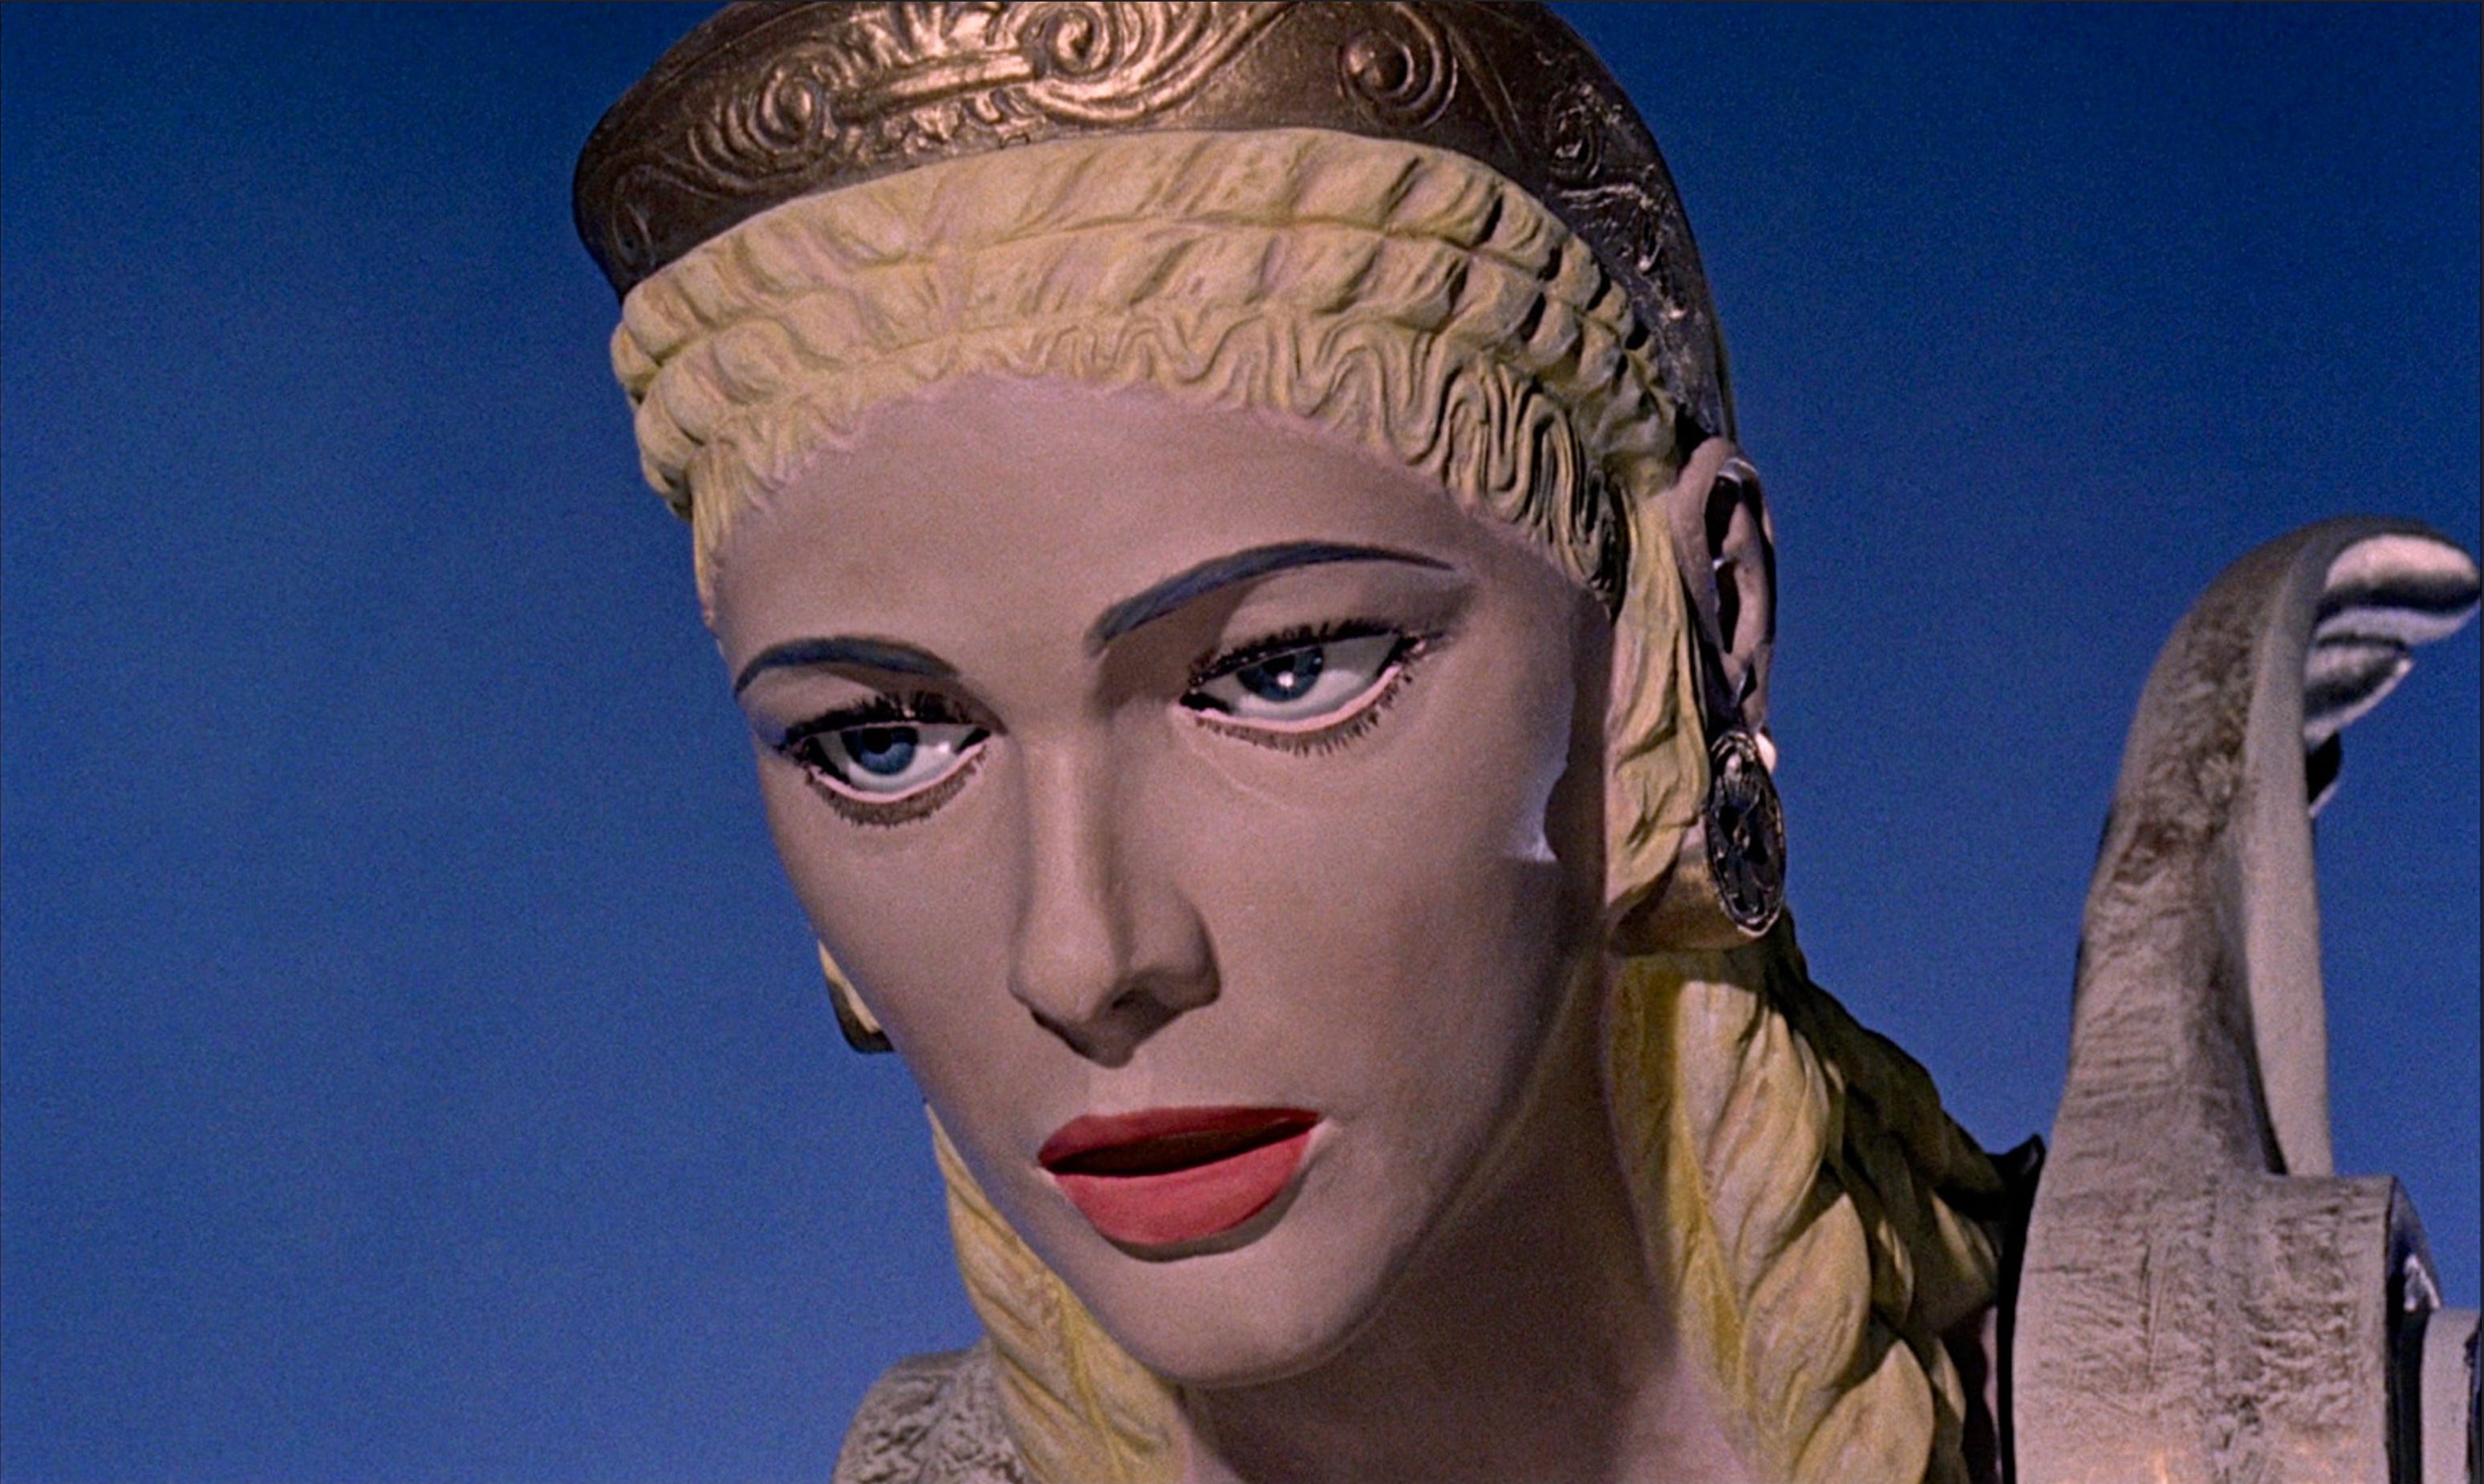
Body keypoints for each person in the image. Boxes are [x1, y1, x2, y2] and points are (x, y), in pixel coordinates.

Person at [574, 6, 2476, 1482]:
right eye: (885, 741)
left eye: (1287, 670)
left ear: (1697, 624)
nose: (1082, 955)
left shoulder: (2261, 1415)